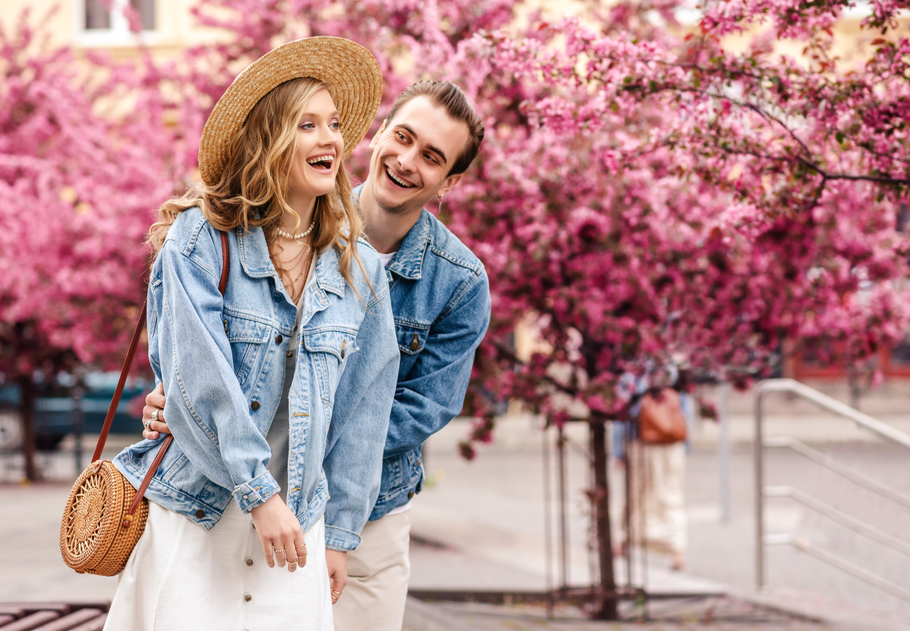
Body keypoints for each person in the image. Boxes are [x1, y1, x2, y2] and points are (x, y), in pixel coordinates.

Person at [142, 79, 492, 630]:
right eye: (401, 137)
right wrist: (185, 403)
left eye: (431, 157)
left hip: (352, 510)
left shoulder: (442, 279)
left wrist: (328, 503)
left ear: (448, 181)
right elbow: (200, 361)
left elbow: (392, 411)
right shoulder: (219, 235)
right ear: (377, 135)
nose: (406, 161)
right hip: (220, 494)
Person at [108, 37, 399, 631]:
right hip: (199, 514)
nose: (330, 140)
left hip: (296, 532)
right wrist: (259, 495)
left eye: (336, 124)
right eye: (307, 125)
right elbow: (201, 378)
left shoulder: (361, 270)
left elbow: (365, 414)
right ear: (267, 141)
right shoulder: (198, 242)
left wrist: (339, 535)